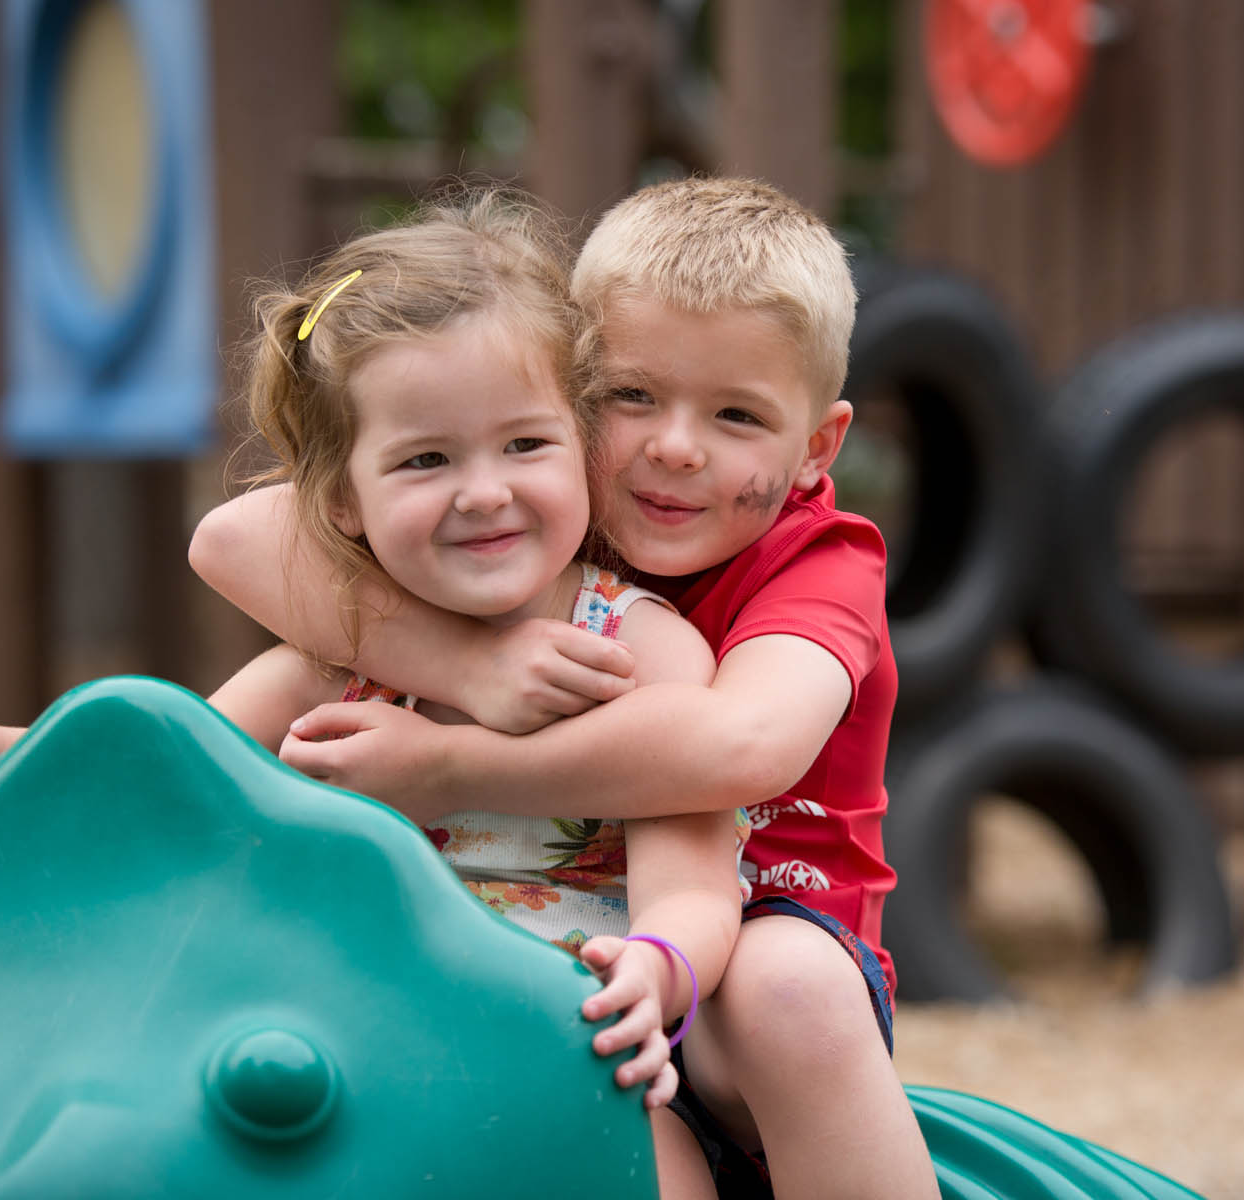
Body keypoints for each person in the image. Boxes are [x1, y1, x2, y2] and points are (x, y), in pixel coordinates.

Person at [0, 190, 743, 1199]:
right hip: (328, 1050)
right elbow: (161, 788)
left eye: (525, 444)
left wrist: (656, 966)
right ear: (345, 500)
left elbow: (697, 882)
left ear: (584, 445)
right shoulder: (332, 658)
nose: (483, 491)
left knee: (653, 1173)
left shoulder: (644, 654)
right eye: (425, 460)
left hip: (558, 1041)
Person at [187, 177, 939, 1199]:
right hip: (479, 998)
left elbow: (737, 750)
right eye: (633, 397)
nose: (674, 445)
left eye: (735, 414)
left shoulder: (811, 565)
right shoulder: (536, 519)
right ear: (577, 399)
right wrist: (469, 667)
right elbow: (233, 538)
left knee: (784, 988)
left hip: (744, 957)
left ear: (817, 447)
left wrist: (455, 764)